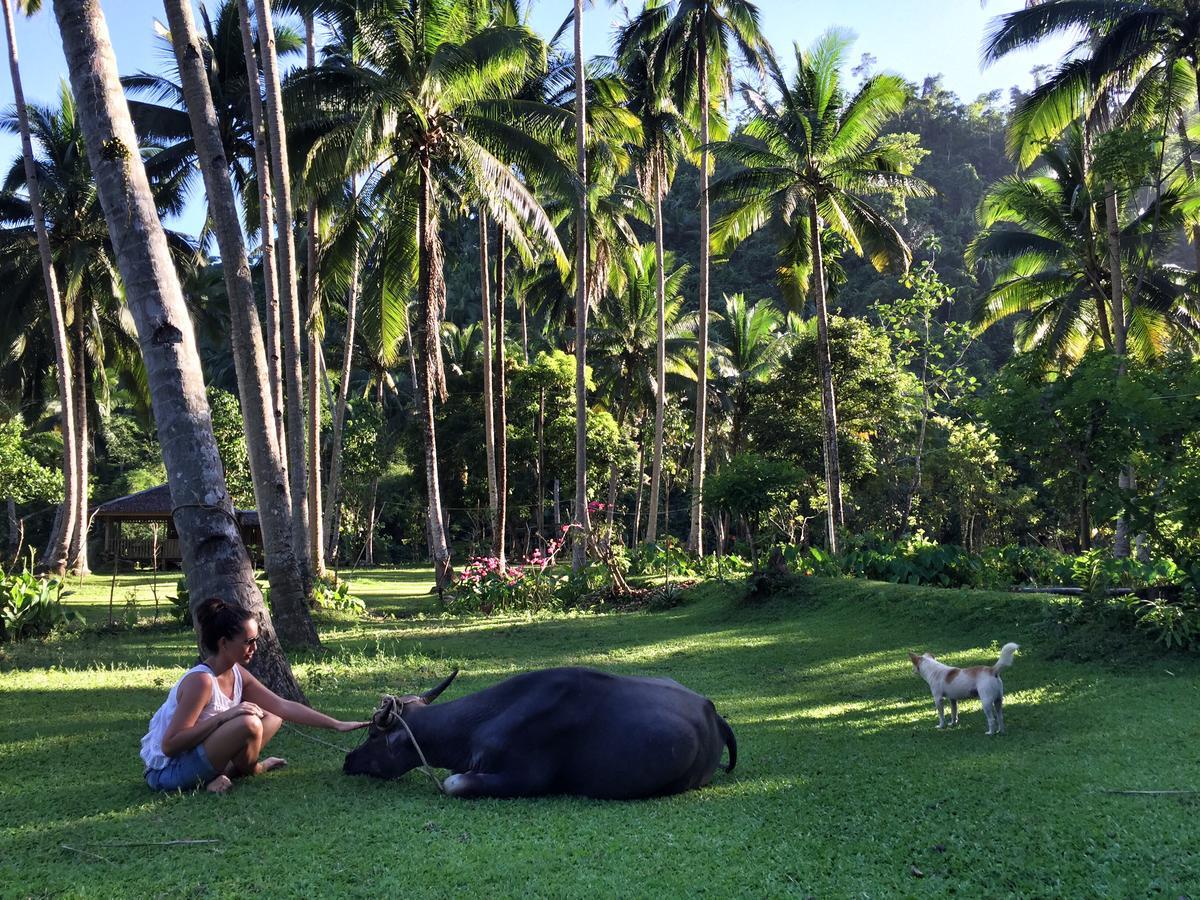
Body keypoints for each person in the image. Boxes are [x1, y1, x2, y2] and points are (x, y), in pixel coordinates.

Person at [140, 598, 368, 794]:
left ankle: (222, 774)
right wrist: (225, 716)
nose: (254, 648)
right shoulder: (201, 681)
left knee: (274, 716)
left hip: (198, 757)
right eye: (248, 642)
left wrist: (337, 725)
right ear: (223, 643)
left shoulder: (237, 673)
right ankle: (251, 769)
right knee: (248, 723)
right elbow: (170, 745)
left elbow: (282, 706)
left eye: (256, 640)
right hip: (169, 772)